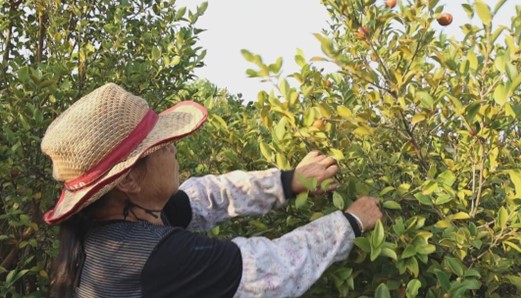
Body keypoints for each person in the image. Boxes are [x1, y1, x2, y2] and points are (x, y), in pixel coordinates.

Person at [42, 83, 383, 297]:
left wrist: (289, 180)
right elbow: (274, 270)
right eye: (160, 146)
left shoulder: (111, 228)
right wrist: (350, 222)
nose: (174, 149)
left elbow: (207, 194)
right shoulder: (157, 258)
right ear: (128, 181)